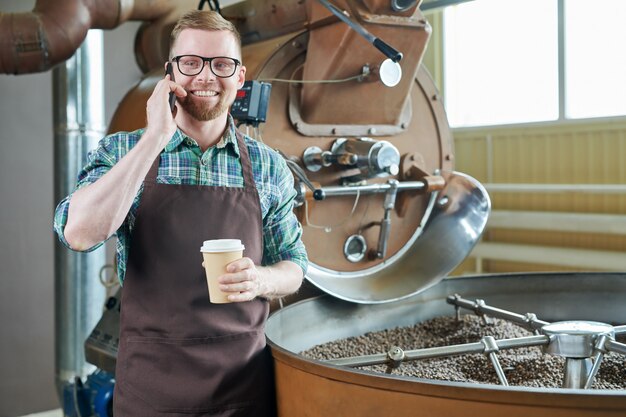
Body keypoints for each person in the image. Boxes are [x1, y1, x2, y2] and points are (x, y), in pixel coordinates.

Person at [53, 9, 308, 417]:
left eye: (222, 64)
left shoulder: (268, 166)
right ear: (169, 73)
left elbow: (295, 264)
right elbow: (79, 234)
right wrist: (154, 138)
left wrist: (261, 278)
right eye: (190, 63)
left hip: (241, 391)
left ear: (240, 77)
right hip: (150, 393)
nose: (206, 76)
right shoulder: (120, 151)